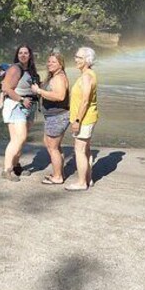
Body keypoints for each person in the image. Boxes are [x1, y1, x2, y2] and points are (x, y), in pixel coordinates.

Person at [0, 44, 40, 181]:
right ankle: (6, 170)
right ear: (17, 55)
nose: (23, 55)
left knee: (18, 140)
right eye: (20, 53)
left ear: (30, 55)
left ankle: (16, 165)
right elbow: (6, 88)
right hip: (16, 106)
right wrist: (22, 99)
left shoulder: (30, 70)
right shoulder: (15, 69)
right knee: (20, 138)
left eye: (26, 53)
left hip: (29, 107)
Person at [31, 50, 70, 185]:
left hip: (58, 116)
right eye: (49, 61)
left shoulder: (59, 77)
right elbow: (51, 90)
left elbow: (60, 96)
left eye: (54, 62)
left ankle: (58, 177)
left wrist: (39, 91)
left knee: (53, 147)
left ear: (61, 64)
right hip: (54, 116)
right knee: (53, 146)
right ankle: (59, 173)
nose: (50, 64)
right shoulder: (54, 76)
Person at [67, 47, 98, 191]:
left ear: (87, 60)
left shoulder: (87, 76)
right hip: (88, 118)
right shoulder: (88, 74)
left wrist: (77, 121)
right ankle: (88, 178)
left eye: (79, 57)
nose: (76, 59)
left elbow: (85, 100)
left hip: (84, 119)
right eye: (76, 56)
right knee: (86, 150)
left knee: (79, 150)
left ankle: (81, 183)